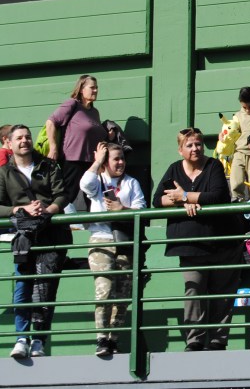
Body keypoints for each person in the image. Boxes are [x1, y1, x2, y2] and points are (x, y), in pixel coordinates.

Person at [153, 127, 240, 351]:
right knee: (194, 289)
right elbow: (157, 200)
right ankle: (195, 340)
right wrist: (183, 201)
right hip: (189, 244)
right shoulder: (174, 169)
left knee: (222, 294)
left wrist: (185, 195)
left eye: (198, 144)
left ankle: (218, 341)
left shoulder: (213, 166)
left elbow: (219, 196)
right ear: (180, 150)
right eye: (189, 145)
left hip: (220, 242)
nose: (195, 148)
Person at [0, 125, 70, 359]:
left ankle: (39, 339)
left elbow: (62, 194)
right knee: (22, 287)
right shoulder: (4, 172)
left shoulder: (48, 166)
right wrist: (20, 209)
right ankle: (21, 339)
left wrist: (47, 209)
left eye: (27, 137)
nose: (25, 141)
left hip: (51, 235)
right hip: (24, 237)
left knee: (45, 289)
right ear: (9, 143)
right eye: (19, 138)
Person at [80, 141, 146, 356]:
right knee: (105, 290)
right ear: (105, 161)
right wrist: (97, 162)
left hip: (125, 241)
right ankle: (101, 338)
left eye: (122, 159)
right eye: (115, 159)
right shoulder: (98, 180)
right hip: (101, 239)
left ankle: (113, 339)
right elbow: (85, 184)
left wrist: (122, 209)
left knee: (123, 294)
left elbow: (141, 209)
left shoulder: (131, 182)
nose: (120, 163)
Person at [46, 74, 106, 210]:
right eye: (92, 87)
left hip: (91, 163)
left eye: (97, 87)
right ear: (81, 89)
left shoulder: (95, 112)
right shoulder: (72, 104)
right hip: (73, 160)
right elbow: (51, 122)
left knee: (94, 198)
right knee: (66, 196)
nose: (96, 90)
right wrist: (53, 148)